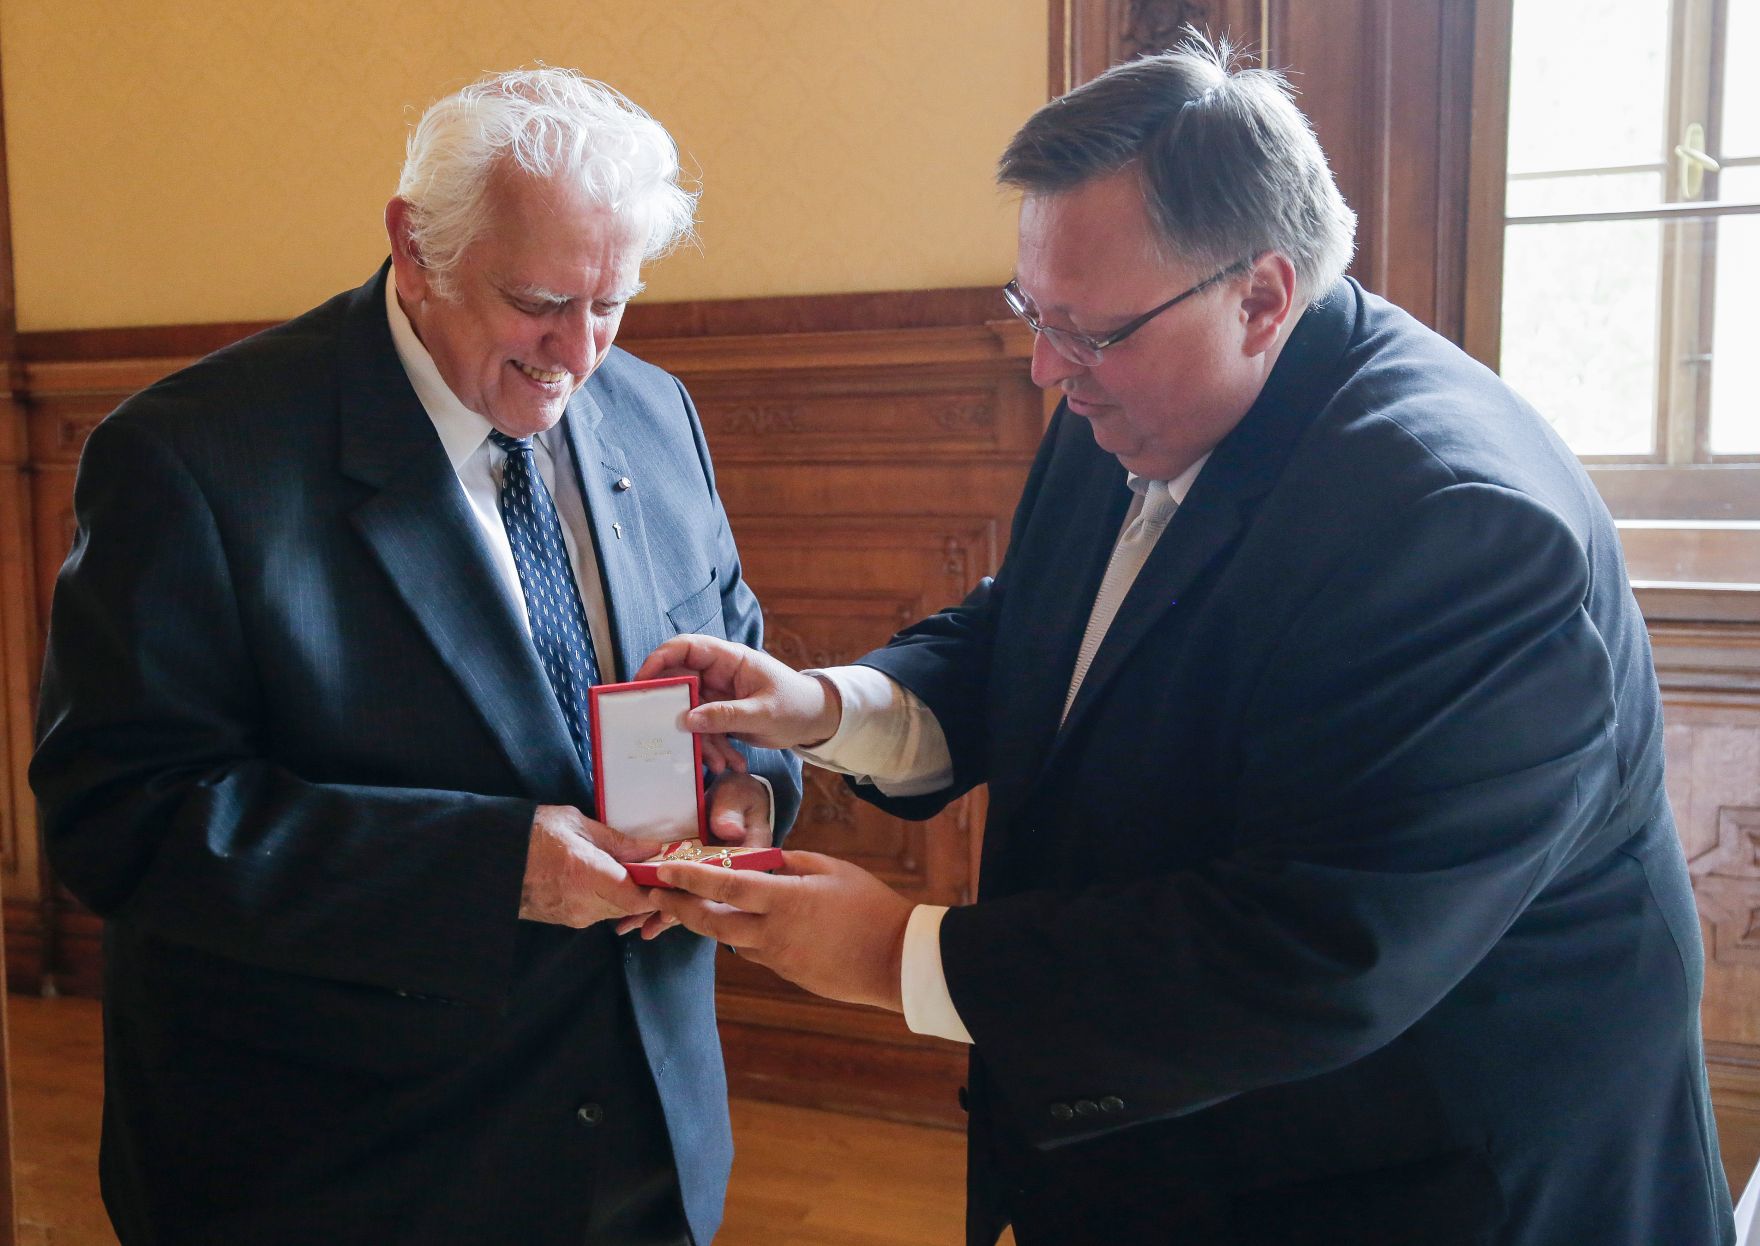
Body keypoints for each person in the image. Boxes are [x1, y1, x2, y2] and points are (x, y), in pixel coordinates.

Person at [635, 36, 1736, 1246]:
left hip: (1417, 1183)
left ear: (1259, 297)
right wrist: (832, 707)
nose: (1049, 368)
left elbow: (1313, 954)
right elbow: (1038, 634)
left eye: (1084, 332)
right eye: (1030, 313)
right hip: (1174, 1146)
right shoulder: (1137, 383)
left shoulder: (1457, 526)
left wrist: (898, 953)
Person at [30, 68, 800, 1246]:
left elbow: (732, 663)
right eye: (539, 298)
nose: (578, 352)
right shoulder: (192, 456)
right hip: (348, 1169)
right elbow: (121, 816)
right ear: (414, 243)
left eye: (613, 302)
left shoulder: (654, 409)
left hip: (641, 1137)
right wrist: (495, 868)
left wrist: (746, 792)